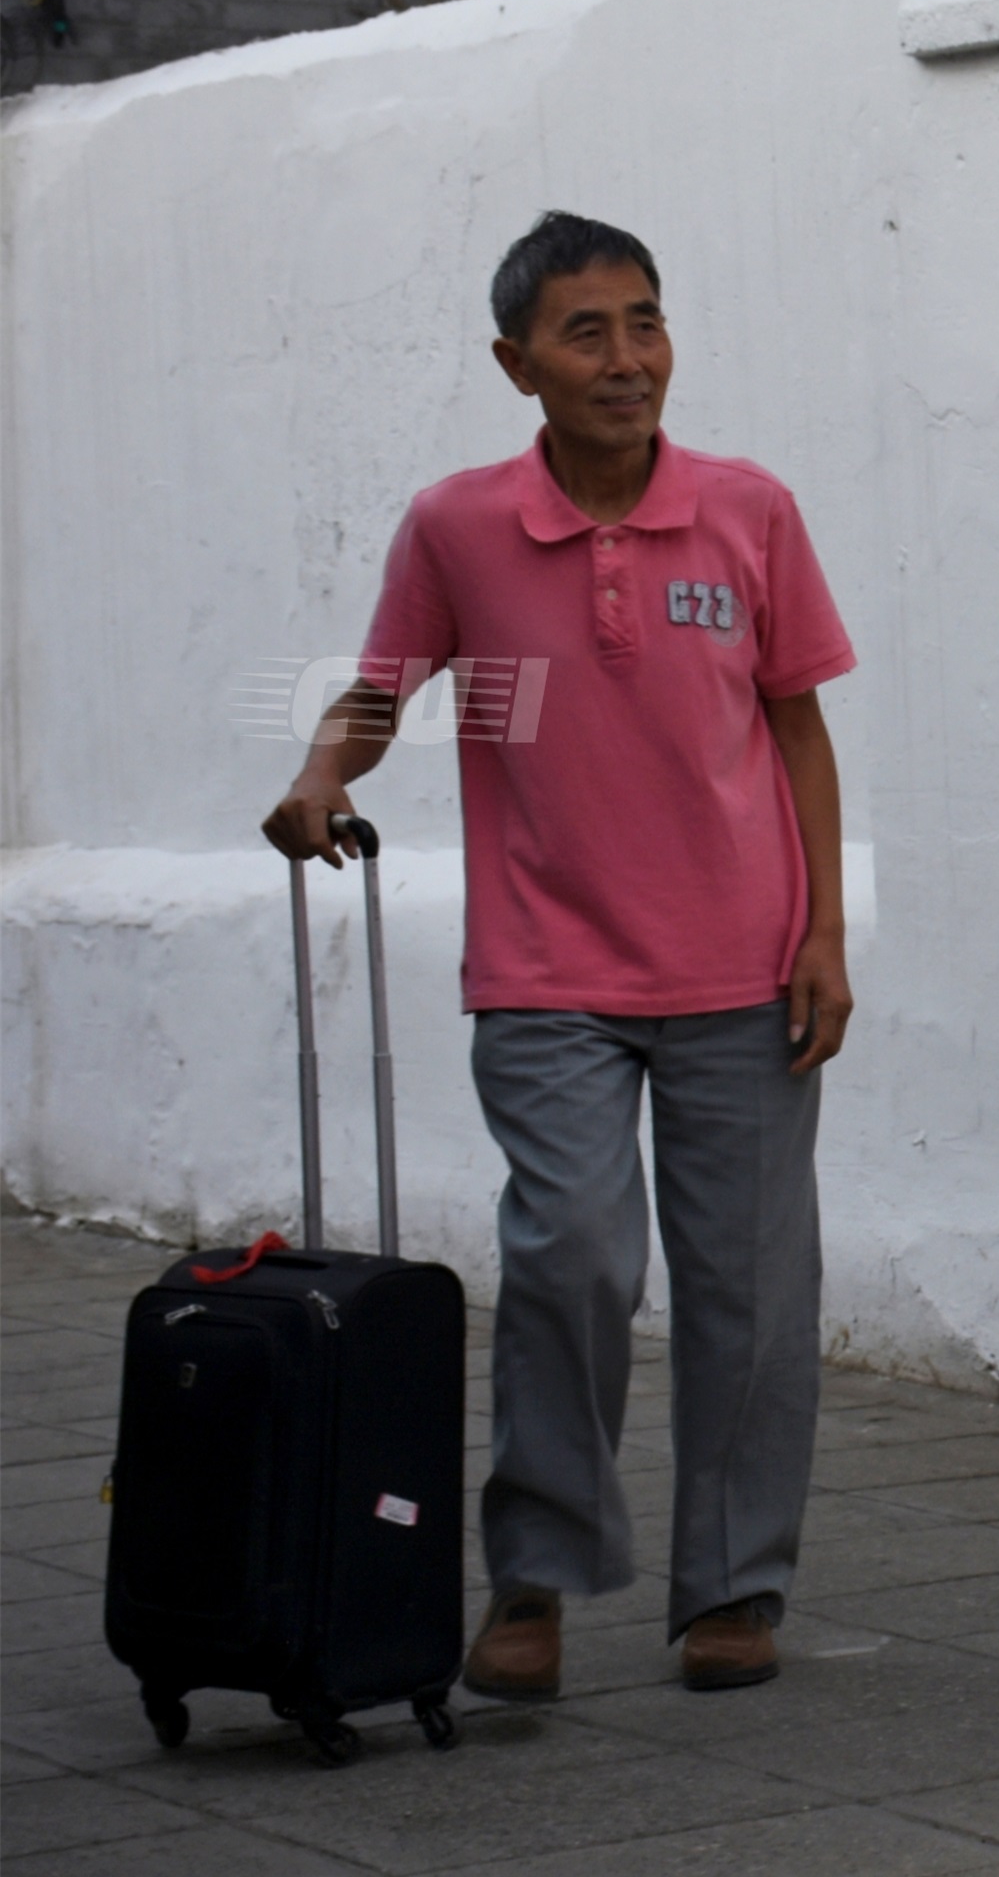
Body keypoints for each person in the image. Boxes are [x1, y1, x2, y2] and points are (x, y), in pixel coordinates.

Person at [263, 211, 857, 1699]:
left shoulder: (749, 510)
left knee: (751, 1288)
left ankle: (733, 1586)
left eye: (646, 323)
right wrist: (326, 774)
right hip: (545, 970)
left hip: (743, 963)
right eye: (587, 332)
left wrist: (825, 928)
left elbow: (795, 722)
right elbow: (385, 688)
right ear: (516, 361)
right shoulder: (461, 525)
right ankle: (532, 1572)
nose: (625, 359)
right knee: (573, 1255)